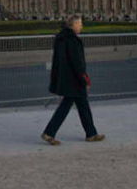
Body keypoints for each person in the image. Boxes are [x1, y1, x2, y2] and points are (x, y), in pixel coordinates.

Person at [41, 16, 104, 145]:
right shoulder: (72, 40)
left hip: (65, 78)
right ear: (74, 24)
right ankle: (49, 133)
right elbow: (77, 63)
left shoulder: (61, 38)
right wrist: (84, 78)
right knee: (70, 106)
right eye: (80, 24)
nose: (81, 26)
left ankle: (91, 133)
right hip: (74, 79)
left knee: (81, 105)